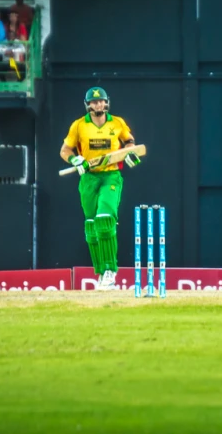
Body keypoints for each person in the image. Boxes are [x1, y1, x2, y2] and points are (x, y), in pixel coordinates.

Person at [59, 87, 141, 291]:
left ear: (106, 103)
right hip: (89, 178)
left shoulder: (117, 122)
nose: (98, 105)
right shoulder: (79, 126)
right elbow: (65, 150)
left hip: (110, 175)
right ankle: (100, 273)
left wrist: (129, 152)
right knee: (92, 229)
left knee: (105, 220)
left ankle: (109, 272)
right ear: (88, 105)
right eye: (94, 102)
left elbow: (130, 142)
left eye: (101, 102)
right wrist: (74, 158)